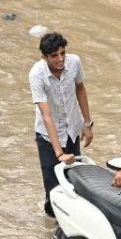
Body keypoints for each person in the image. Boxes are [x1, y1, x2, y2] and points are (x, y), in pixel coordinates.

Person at [30, 31, 94, 218]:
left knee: (75, 181)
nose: (60, 59)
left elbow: (80, 89)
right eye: (54, 56)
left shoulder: (74, 62)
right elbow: (46, 116)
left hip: (72, 131)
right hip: (48, 138)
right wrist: (59, 153)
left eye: (62, 53)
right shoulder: (37, 74)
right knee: (53, 190)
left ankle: (73, 220)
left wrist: (87, 124)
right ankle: (52, 223)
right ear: (44, 57)